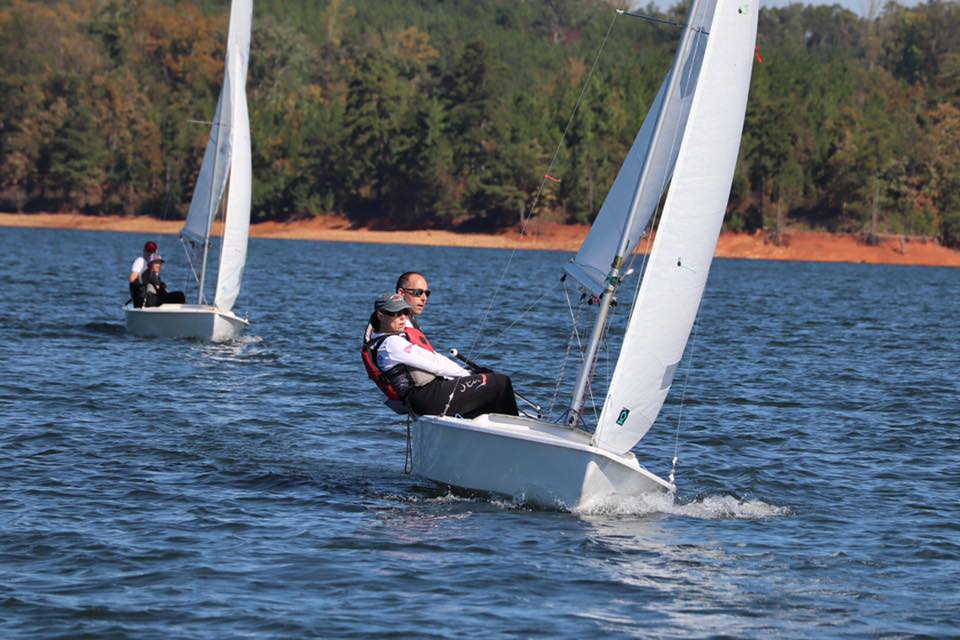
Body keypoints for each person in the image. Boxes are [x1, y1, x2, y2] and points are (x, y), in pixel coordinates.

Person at [363, 292, 519, 419]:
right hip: (427, 397)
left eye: (405, 312)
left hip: (426, 397)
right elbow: (436, 365)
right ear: (381, 316)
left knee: (486, 392)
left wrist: (468, 373)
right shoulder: (391, 344)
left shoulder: (385, 341)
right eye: (396, 313)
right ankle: (513, 432)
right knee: (500, 382)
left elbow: (434, 357)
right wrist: (469, 375)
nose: (403, 317)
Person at [363, 271, 431, 343]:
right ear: (401, 293)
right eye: (418, 292)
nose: (424, 298)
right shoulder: (389, 321)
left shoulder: (410, 318)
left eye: (427, 293)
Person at [128, 240, 157, 308]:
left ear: (156, 252)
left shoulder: (153, 264)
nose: (150, 253)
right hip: (141, 298)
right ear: (144, 251)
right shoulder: (140, 261)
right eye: (148, 251)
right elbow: (131, 279)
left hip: (149, 295)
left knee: (178, 296)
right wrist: (143, 282)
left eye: (152, 251)